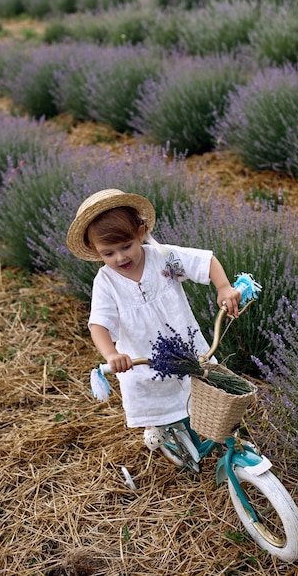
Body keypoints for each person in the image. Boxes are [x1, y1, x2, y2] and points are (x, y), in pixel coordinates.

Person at [66, 189, 242, 451]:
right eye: (109, 253)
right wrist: (111, 353)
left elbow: (204, 262)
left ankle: (209, 426)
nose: (120, 258)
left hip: (186, 349)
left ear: (140, 233)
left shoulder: (162, 257)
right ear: (95, 250)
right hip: (142, 361)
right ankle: (155, 422)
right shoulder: (106, 282)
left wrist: (224, 288)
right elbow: (99, 324)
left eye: (126, 246)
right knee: (153, 398)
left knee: (203, 387)